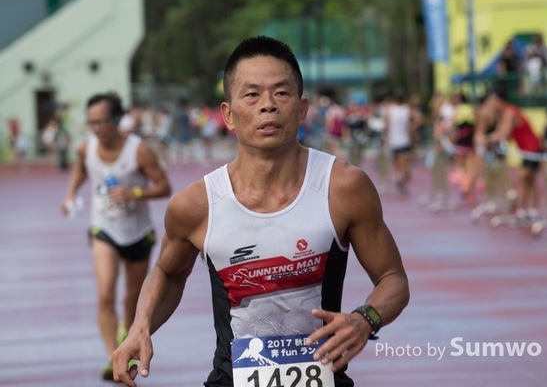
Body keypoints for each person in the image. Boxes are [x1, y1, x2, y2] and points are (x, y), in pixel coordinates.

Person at [112, 36, 410, 387]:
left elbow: (393, 279)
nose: (268, 105)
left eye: (281, 93)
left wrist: (365, 319)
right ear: (228, 114)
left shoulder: (343, 187)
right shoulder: (197, 205)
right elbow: (168, 272)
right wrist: (140, 326)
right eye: (252, 95)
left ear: (302, 108)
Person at [60, 92, 172, 380]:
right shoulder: (86, 149)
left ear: (117, 120)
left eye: (102, 121)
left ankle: (126, 333)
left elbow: (164, 187)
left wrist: (135, 192)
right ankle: (113, 357)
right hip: (104, 227)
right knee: (106, 292)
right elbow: (81, 170)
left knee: (132, 298)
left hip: (138, 231)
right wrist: (71, 194)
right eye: (92, 122)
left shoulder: (138, 151)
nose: (97, 128)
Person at [485, 89, 543, 220]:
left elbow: (504, 133)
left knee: (524, 179)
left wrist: (487, 139)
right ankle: (529, 210)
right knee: (529, 180)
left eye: (494, 101)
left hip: (532, 149)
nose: (492, 104)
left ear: (501, 101)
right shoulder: (504, 114)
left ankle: (524, 210)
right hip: (526, 150)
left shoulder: (510, 112)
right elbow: (505, 133)